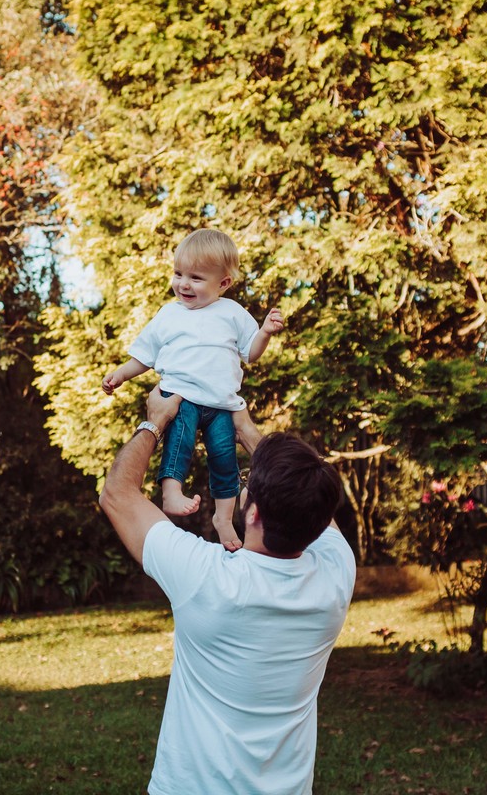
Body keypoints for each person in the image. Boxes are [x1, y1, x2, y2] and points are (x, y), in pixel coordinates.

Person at [99, 387, 357, 795]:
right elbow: (314, 507)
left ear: (251, 512)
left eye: (246, 482)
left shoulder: (205, 577)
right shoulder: (336, 576)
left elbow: (117, 494)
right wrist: (246, 429)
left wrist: (156, 420)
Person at [102, 228, 284, 551]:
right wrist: (120, 375)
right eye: (178, 274)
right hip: (180, 396)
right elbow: (144, 355)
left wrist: (266, 333)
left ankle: (224, 518)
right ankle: (171, 491)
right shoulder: (169, 314)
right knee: (178, 442)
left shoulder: (232, 313)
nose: (183, 284)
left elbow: (251, 353)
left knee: (225, 458)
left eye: (196, 278)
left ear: (223, 283)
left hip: (222, 405)